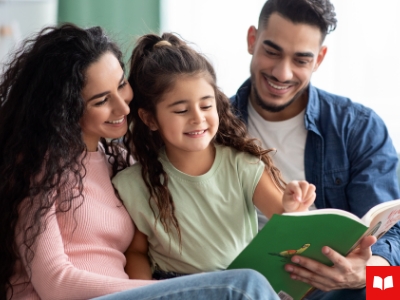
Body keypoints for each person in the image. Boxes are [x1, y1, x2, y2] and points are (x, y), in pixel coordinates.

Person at [0, 23, 281, 300]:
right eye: (101, 101)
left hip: (134, 293)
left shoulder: (119, 161)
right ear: (65, 107)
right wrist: (164, 290)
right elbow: (56, 284)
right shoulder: (35, 166)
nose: (123, 107)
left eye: (121, 84)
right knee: (242, 286)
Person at [229, 0, 400, 299]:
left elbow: (392, 230)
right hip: (242, 286)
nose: (282, 73)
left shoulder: (357, 127)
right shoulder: (212, 126)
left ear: (319, 58)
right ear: (252, 40)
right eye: (272, 52)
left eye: (301, 60)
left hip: (336, 287)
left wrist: (367, 270)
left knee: (388, 286)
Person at [112, 32, 316, 280]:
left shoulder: (242, 165)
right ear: (150, 118)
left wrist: (293, 208)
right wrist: (145, 293)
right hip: (176, 287)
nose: (198, 118)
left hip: (240, 285)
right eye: (182, 110)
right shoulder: (134, 185)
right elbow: (136, 252)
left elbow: (286, 224)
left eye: (207, 106)